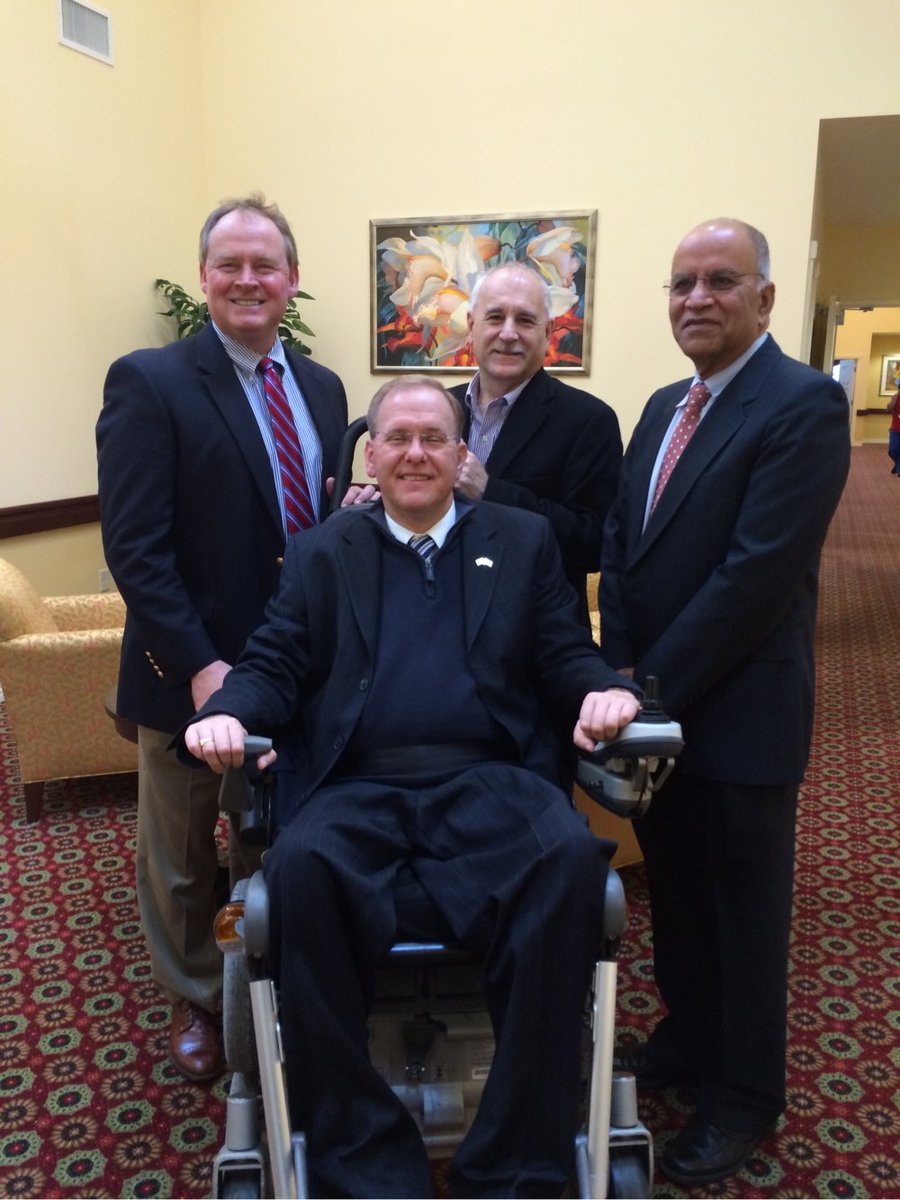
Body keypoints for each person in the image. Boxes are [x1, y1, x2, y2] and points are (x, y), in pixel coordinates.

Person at [181, 376, 642, 1198]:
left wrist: (602, 691)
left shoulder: (523, 539)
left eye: (434, 438)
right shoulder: (324, 551)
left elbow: (564, 652)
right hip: (356, 783)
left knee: (567, 864)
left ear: (462, 454)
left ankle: (514, 1166)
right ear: (372, 456)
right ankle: (363, 1162)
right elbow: (273, 661)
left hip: (491, 780)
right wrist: (227, 712)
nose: (416, 454)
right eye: (397, 438)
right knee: (298, 874)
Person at [599, 218, 850, 1187]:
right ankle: (688, 1038)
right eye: (681, 283)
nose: (696, 298)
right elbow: (623, 545)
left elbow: (754, 578)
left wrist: (643, 686)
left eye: (720, 281)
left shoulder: (803, 405)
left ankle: (744, 1095)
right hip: (657, 707)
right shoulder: (665, 404)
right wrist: (617, 666)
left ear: (766, 299)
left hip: (741, 716)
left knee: (744, 918)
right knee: (680, 897)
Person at [96, 195, 348, 1083]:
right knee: (179, 851)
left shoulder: (323, 388)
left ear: (292, 278)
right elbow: (135, 547)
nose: (247, 279)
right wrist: (201, 666)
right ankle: (199, 995)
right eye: (229, 264)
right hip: (186, 670)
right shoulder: (150, 381)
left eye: (264, 264)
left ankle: (263, 976)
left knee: (269, 830)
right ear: (203, 276)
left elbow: (309, 530)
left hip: (293, 667)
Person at [450, 262, 622, 623]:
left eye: (526, 320)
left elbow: (594, 544)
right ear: (471, 325)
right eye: (495, 317)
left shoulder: (589, 420)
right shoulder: (439, 409)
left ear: (548, 332)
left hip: (535, 635)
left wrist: (491, 492)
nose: (508, 333)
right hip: (443, 620)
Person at [886, 387, 900, 475]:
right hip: (895, 429)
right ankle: (898, 463)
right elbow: (888, 409)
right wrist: (895, 398)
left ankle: (899, 468)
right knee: (892, 450)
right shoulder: (895, 397)